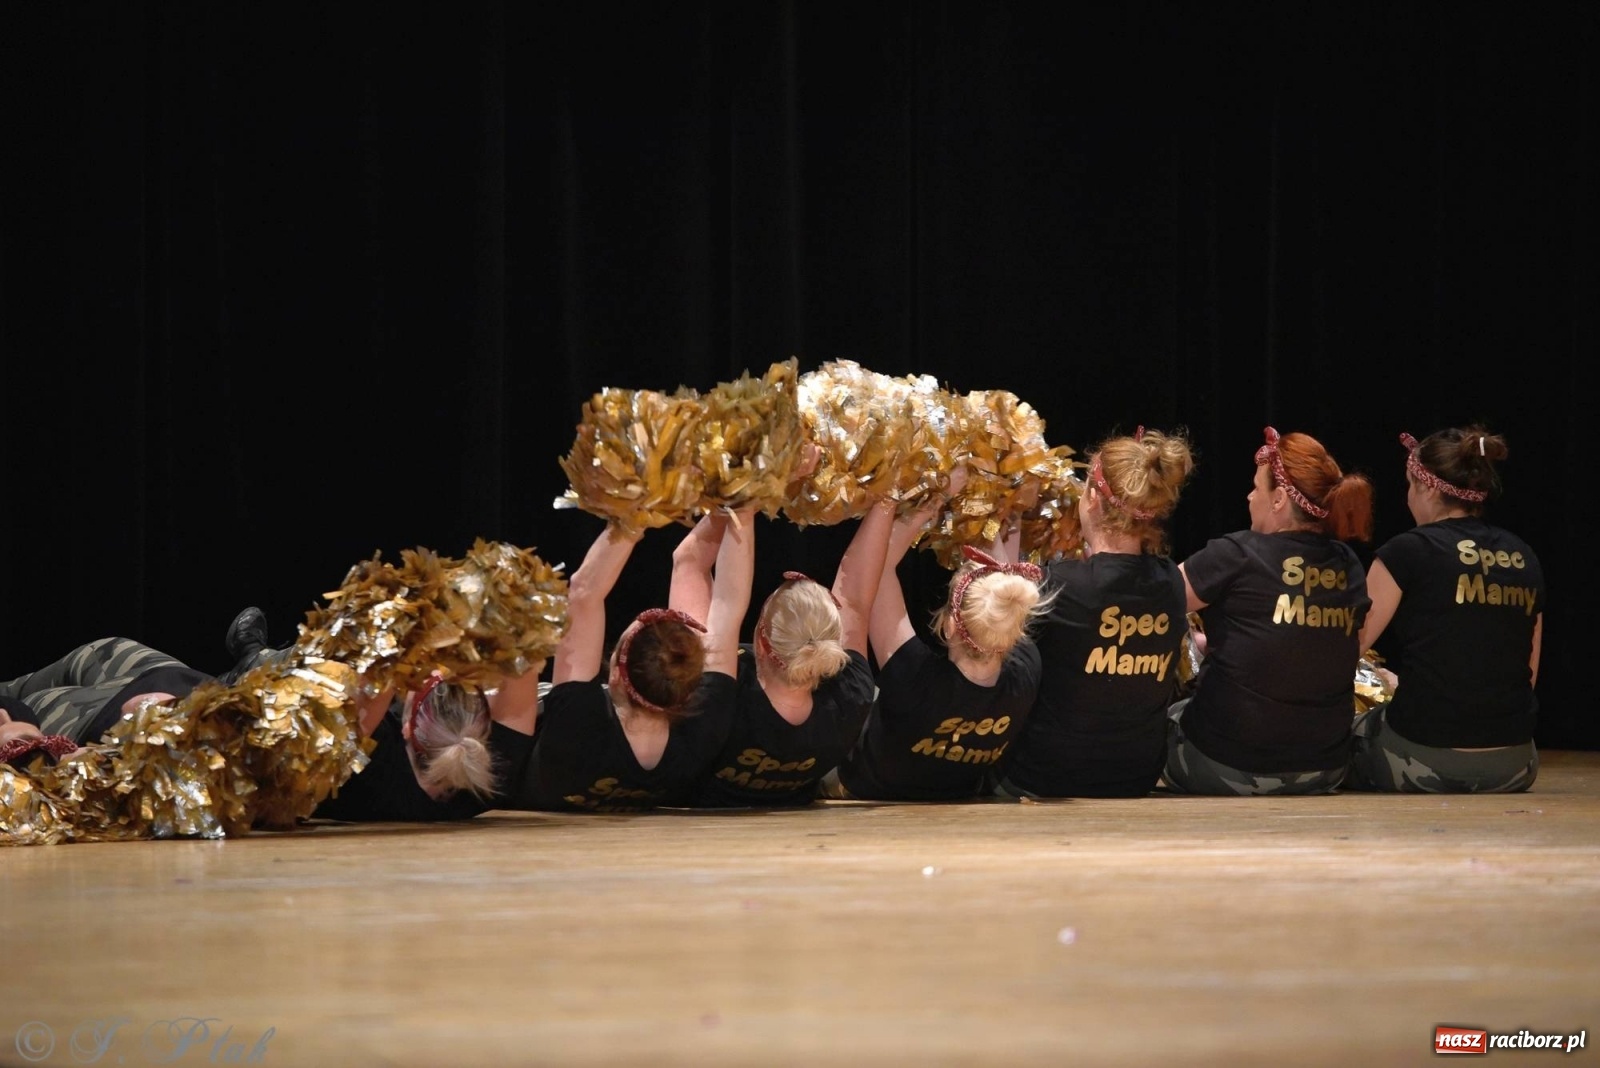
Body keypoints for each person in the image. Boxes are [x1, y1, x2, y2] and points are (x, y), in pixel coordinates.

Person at [1163, 426, 1373, 795]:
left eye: (1256, 488)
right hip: (1323, 769)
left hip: (1229, 764)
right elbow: (1300, 645)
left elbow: (1153, 598)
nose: (1248, 497)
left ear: (1278, 500)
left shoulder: (1238, 554)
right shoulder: (1348, 564)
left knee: (1160, 723)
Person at [819, 477, 1049, 802]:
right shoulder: (1027, 670)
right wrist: (993, 496)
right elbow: (1006, 585)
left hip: (864, 788)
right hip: (955, 792)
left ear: (953, 625)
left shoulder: (915, 678)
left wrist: (934, 496)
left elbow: (875, 570)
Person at [994, 427, 1195, 798]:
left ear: (1094, 501)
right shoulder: (1169, 583)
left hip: (1046, 778)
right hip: (1134, 778)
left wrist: (1008, 514)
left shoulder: (1063, 586)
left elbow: (996, 608)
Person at [1346, 427, 1543, 793]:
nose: (1407, 498)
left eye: (1409, 484)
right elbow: (1527, 673)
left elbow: (1346, 648)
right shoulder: (1524, 555)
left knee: (1338, 733)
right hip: (1515, 763)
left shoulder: (1406, 551)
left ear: (1430, 488)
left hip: (1425, 757)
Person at [503, 515, 746, 813]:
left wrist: (634, 515)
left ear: (616, 674)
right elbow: (728, 606)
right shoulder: (703, 729)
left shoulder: (579, 723)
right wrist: (744, 502)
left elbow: (583, 594)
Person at [672, 499, 891, 808]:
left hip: (701, 837)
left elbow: (689, 561)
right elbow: (854, 600)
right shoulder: (850, 696)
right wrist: (888, 493)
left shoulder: (714, 695)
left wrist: (749, 491)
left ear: (761, 640)